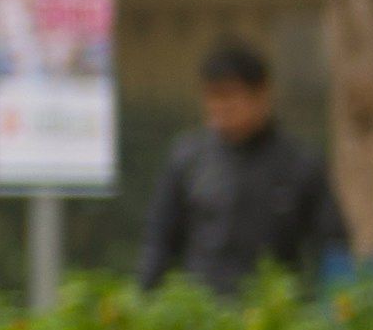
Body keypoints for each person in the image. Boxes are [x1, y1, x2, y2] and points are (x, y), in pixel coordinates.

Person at [136, 36, 352, 298]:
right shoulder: (187, 159)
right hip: (202, 312)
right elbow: (159, 241)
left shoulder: (300, 163)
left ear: (261, 95)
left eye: (229, 96)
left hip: (274, 313)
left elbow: (332, 246)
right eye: (212, 97)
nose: (220, 108)